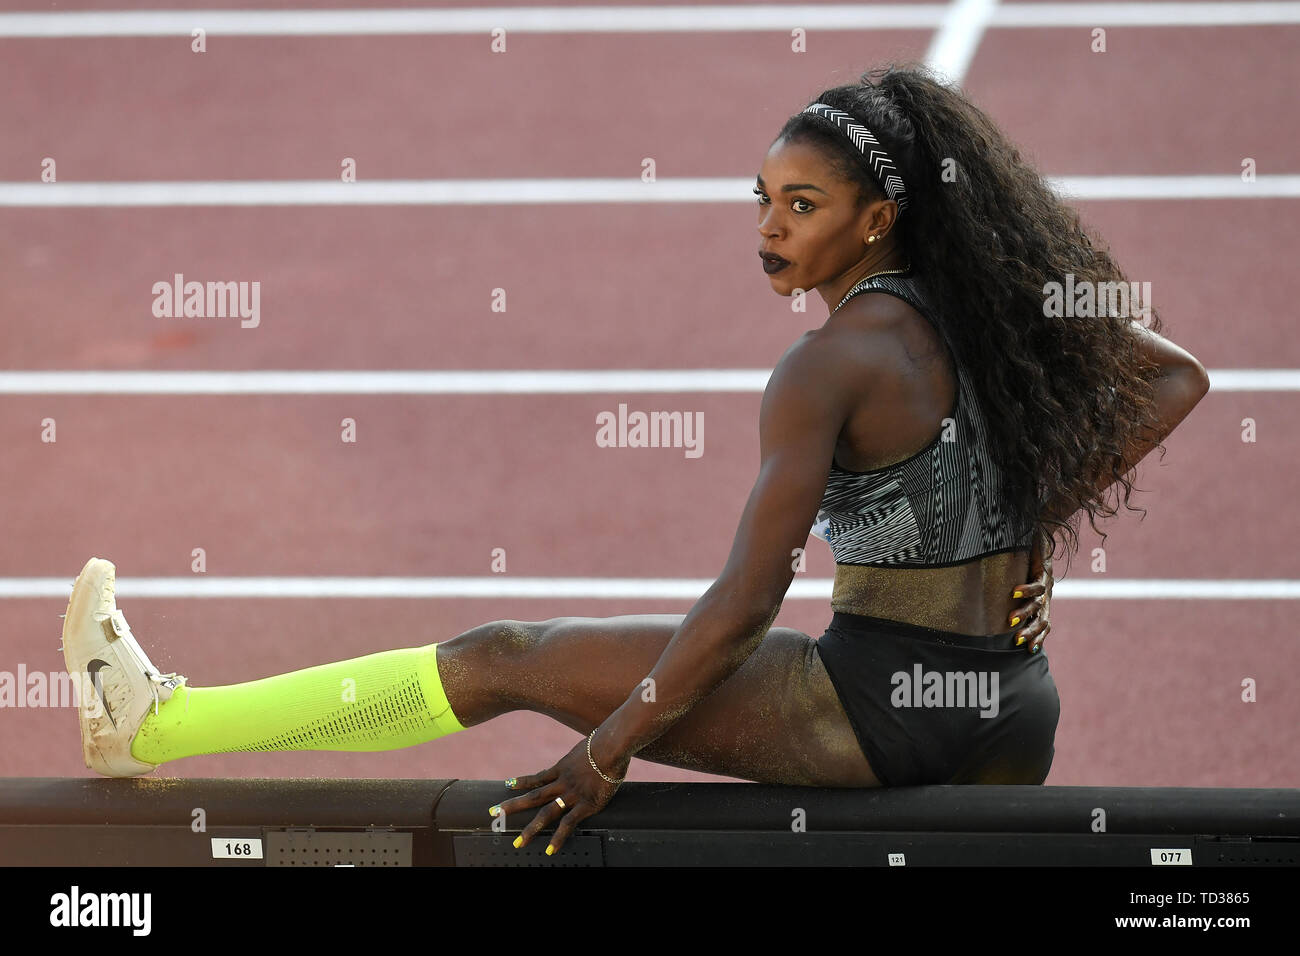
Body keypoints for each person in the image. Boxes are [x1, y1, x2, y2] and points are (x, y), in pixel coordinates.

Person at [61, 63, 1210, 857]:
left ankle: (158, 725)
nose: (769, 229)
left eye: (803, 205)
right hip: (1013, 703)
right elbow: (1174, 376)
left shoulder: (825, 367)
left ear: (877, 220)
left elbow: (745, 600)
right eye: (761, 199)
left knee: (505, 654)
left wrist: (605, 753)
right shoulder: (990, 314)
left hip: (877, 708)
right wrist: (1015, 527)